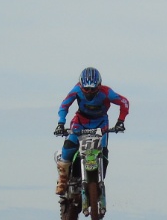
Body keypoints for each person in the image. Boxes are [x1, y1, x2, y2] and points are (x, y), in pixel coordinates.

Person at [53, 67, 129, 198]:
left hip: (100, 123)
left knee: (103, 150)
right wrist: (61, 123)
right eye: (86, 89)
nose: (89, 92)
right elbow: (64, 105)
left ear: (99, 86)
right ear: (81, 86)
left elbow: (124, 102)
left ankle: (99, 178)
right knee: (69, 146)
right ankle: (63, 179)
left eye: (93, 89)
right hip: (80, 122)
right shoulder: (76, 90)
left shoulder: (107, 92)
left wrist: (120, 121)